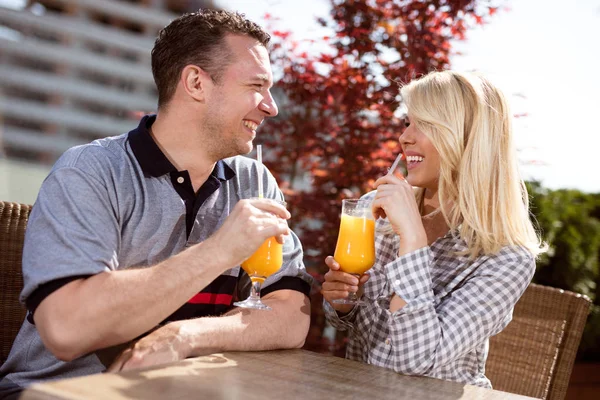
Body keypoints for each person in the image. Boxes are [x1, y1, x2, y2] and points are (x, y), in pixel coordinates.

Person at [0, 9, 312, 398]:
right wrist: (219, 250)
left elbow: (290, 315)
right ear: (196, 83)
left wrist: (182, 335)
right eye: (256, 85)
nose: (271, 106)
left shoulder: (254, 181)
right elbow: (66, 330)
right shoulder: (90, 173)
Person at [321, 70, 545, 388]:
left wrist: (412, 239)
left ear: (468, 138)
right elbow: (344, 324)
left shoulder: (508, 258)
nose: (405, 137)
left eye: (423, 124)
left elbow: (413, 362)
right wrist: (345, 302)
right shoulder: (378, 210)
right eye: (407, 122)